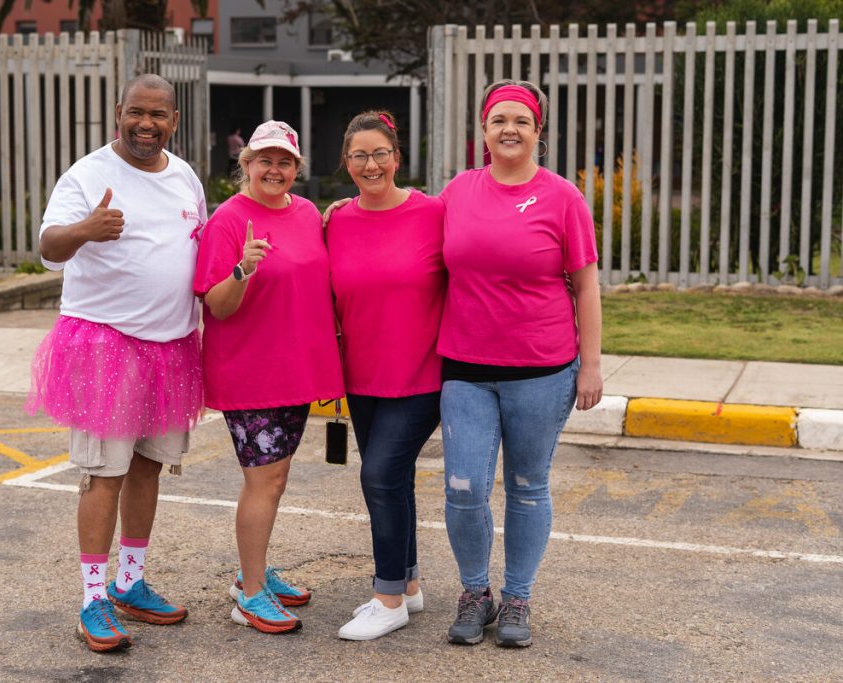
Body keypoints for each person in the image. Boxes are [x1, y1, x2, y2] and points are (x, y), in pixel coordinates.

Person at [25, 74, 207, 653]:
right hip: (107, 344)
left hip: (172, 346)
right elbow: (49, 247)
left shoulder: (185, 176)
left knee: (149, 468)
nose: (146, 124)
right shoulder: (88, 174)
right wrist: (85, 230)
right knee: (103, 473)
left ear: (174, 121)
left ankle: (131, 581)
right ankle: (93, 597)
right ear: (118, 113)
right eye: (136, 113)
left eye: (158, 114)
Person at [438, 79, 602, 647]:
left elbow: (586, 286)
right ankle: (475, 593)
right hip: (465, 368)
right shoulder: (458, 190)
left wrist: (592, 365)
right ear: (483, 131)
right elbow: (407, 234)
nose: (509, 129)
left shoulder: (562, 197)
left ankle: (517, 600)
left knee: (528, 486)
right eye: (498, 119)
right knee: (463, 488)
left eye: (521, 121)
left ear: (538, 133)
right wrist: (345, 213)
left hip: (542, 369)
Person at [193, 120, 344, 634]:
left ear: (296, 169)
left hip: (295, 369)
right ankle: (250, 595)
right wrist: (242, 270)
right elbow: (216, 304)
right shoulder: (230, 220)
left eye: (284, 161)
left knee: (276, 480)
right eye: (265, 160)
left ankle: (252, 573)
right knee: (265, 480)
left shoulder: (306, 214)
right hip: (250, 372)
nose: (274, 170)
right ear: (247, 164)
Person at [325, 111, 446, 641]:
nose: (370, 164)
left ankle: (388, 597)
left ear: (397, 158)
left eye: (379, 154)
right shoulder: (337, 221)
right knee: (393, 481)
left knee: (377, 476)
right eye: (359, 156)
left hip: (423, 375)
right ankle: (410, 584)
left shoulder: (435, 213)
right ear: (346, 164)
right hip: (362, 375)